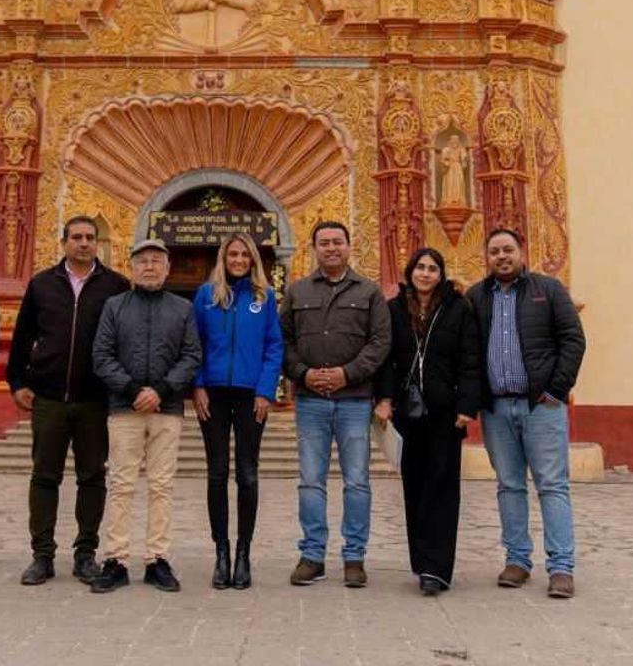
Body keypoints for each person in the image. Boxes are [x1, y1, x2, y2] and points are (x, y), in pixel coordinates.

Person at [7, 214, 129, 586]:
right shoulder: (43, 284)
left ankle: (85, 553)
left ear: (98, 243)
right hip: (48, 397)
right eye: (76, 237)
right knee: (45, 476)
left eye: (90, 237)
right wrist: (16, 381)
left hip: (94, 399)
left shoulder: (115, 286)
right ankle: (42, 555)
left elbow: (123, 341)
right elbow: (23, 335)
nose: (83, 243)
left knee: (93, 477)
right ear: (64, 242)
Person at [466, 227, 587, 599]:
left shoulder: (547, 290)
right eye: (494, 251)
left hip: (541, 406)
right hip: (497, 408)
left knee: (551, 485)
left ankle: (561, 567)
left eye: (508, 250)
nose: (501, 256)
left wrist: (555, 390)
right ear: (486, 258)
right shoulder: (476, 297)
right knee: (509, 486)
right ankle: (517, 560)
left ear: (522, 252)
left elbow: (573, 340)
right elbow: (467, 351)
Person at [280, 220, 391, 588]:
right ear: (314, 248)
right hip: (311, 401)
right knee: (311, 481)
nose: (331, 248)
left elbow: (380, 343)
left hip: (355, 401)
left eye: (337, 242)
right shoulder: (296, 292)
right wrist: (303, 373)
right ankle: (312, 555)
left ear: (348, 246)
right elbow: (282, 342)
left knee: (357, 481)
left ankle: (354, 557)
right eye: (324, 243)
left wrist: (347, 373)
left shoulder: (370, 292)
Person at [90, 238, 202, 594]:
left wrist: (163, 390)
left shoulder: (182, 309)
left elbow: (191, 355)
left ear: (168, 268)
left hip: (167, 409)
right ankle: (116, 558)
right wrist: (134, 390)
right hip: (125, 408)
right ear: (132, 267)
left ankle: (158, 558)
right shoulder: (115, 306)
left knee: (161, 485)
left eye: (157, 261)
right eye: (143, 261)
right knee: (121, 484)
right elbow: (102, 355)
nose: (150, 267)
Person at [374, 248, 480, 595]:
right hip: (408, 412)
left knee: (442, 488)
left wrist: (467, 405)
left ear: (441, 274)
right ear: (410, 271)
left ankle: (437, 568)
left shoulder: (458, 308)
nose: (425, 273)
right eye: (420, 267)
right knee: (415, 488)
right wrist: (386, 400)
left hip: (446, 412)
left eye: (432, 268)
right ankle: (421, 562)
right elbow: (387, 360)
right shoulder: (394, 309)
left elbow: (469, 359)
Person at [192, 232, 284, 590]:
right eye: (232, 254)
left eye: (244, 254)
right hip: (213, 393)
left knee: (247, 473)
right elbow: (194, 343)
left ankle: (244, 554)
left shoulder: (264, 297)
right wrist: (197, 384)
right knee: (217, 473)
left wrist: (265, 391)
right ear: (223, 257)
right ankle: (222, 553)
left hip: (250, 395)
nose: (238, 260)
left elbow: (273, 347)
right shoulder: (206, 295)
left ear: (253, 259)